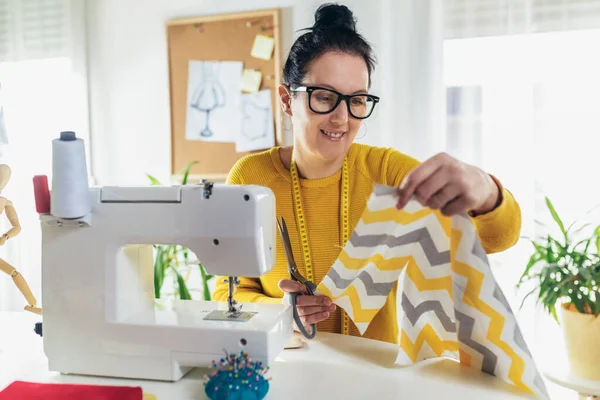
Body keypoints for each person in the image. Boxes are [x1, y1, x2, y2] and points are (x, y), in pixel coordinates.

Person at [212, 3, 521, 344]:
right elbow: (229, 292)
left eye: (357, 100)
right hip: (286, 370)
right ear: (287, 100)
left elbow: (497, 239)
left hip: (375, 374)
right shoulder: (250, 178)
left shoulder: (389, 172)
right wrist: (281, 312)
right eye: (325, 97)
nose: (342, 118)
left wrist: (485, 189)